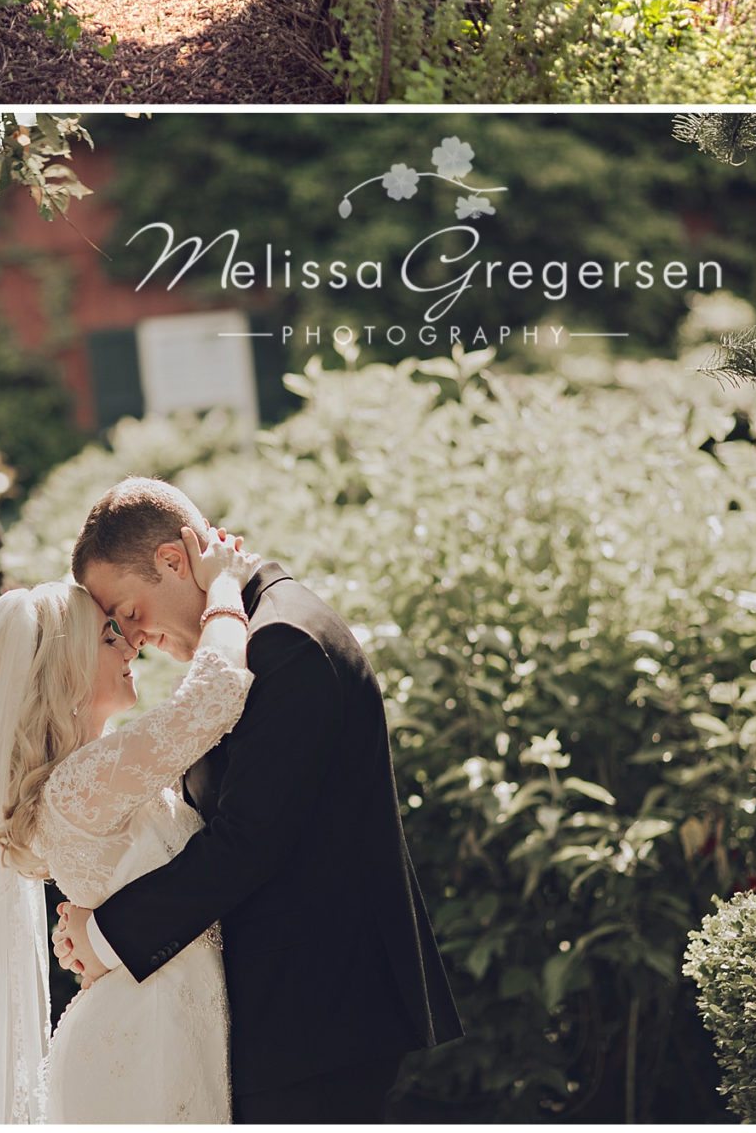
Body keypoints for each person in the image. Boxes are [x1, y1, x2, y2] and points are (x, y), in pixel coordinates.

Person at [57, 477, 464, 1124]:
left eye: (129, 610)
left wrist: (106, 935)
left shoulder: (285, 641)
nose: (133, 637)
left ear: (173, 561)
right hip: (284, 1020)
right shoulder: (249, 642)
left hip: (313, 1016)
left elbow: (248, 842)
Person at [0, 525, 261, 1123]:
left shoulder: (95, 775)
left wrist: (96, 932)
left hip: (161, 1027)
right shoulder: (84, 783)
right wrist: (224, 586)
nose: (132, 644)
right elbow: (213, 697)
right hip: (140, 1044)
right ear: (68, 667)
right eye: (110, 635)